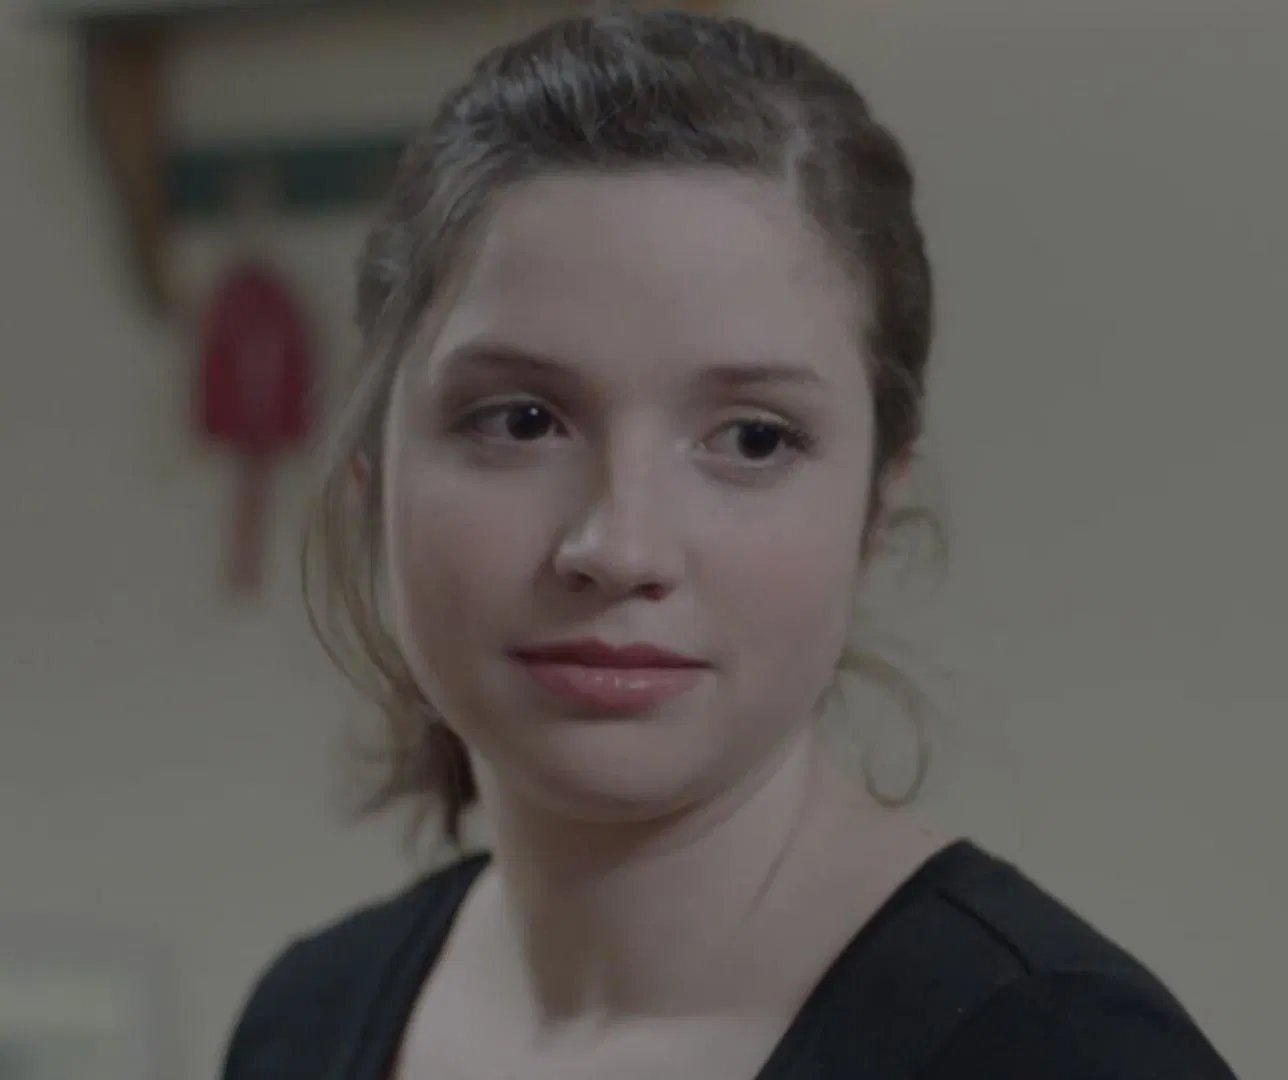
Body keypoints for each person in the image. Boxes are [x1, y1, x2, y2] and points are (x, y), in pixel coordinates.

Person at [219, 10, 1237, 1079]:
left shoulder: (1061, 1052)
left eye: (752, 438)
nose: (620, 547)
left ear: (876, 511)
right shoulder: (303, 1022)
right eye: (522, 420)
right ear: (371, 475)